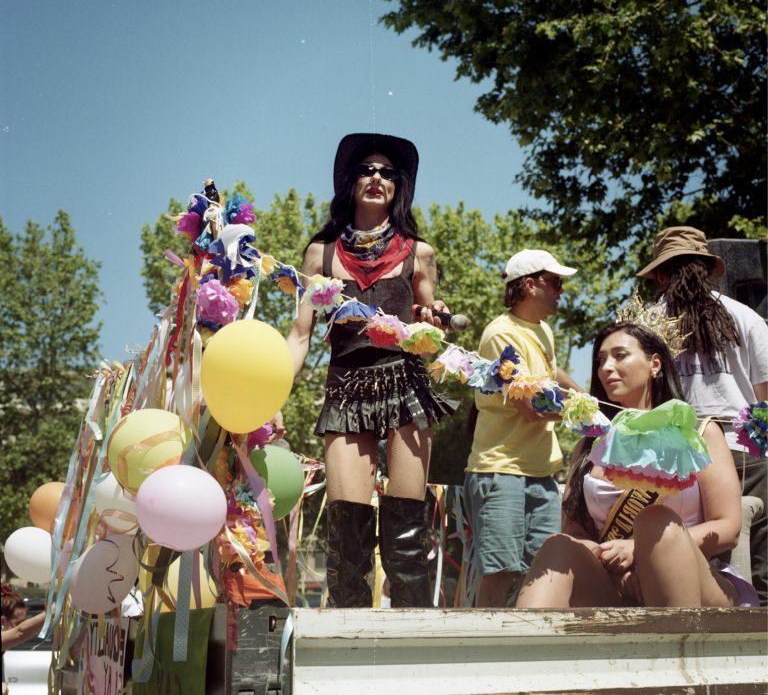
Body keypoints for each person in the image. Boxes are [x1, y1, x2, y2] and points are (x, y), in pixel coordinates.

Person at [286, 133, 456, 608]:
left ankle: (415, 653)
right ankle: (348, 656)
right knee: (348, 536)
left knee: (406, 541)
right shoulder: (321, 254)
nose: (377, 177)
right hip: (345, 387)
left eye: (388, 172)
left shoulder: (417, 253)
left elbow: (432, 336)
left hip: (404, 384)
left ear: (399, 187)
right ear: (350, 182)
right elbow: (300, 335)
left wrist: (434, 321)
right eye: (367, 169)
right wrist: (272, 396)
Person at [516, 320, 758, 608]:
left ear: (654, 364)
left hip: (693, 578)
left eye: (620, 355)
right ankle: (524, 648)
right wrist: (609, 557)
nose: (606, 367)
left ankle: (677, 648)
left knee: (657, 523)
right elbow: (575, 530)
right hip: (613, 581)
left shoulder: (700, 433)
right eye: (601, 360)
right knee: (557, 546)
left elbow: (727, 527)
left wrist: (638, 550)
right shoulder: (592, 441)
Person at [638, 226, 768, 604]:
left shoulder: (646, 325)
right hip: (747, 453)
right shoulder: (746, 317)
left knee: (684, 555)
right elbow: (765, 396)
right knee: (759, 567)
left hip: (678, 457)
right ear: (707, 269)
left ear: (661, 275)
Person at [464, 249, 582, 607]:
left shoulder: (543, 330)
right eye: (555, 282)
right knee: (501, 573)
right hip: (500, 471)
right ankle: (486, 656)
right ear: (530, 285)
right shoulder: (500, 334)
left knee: (542, 576)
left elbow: (551, 374)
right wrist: (586, 411)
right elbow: (531, 406)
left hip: (542, 473)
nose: (561, 290)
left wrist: (587, 395)